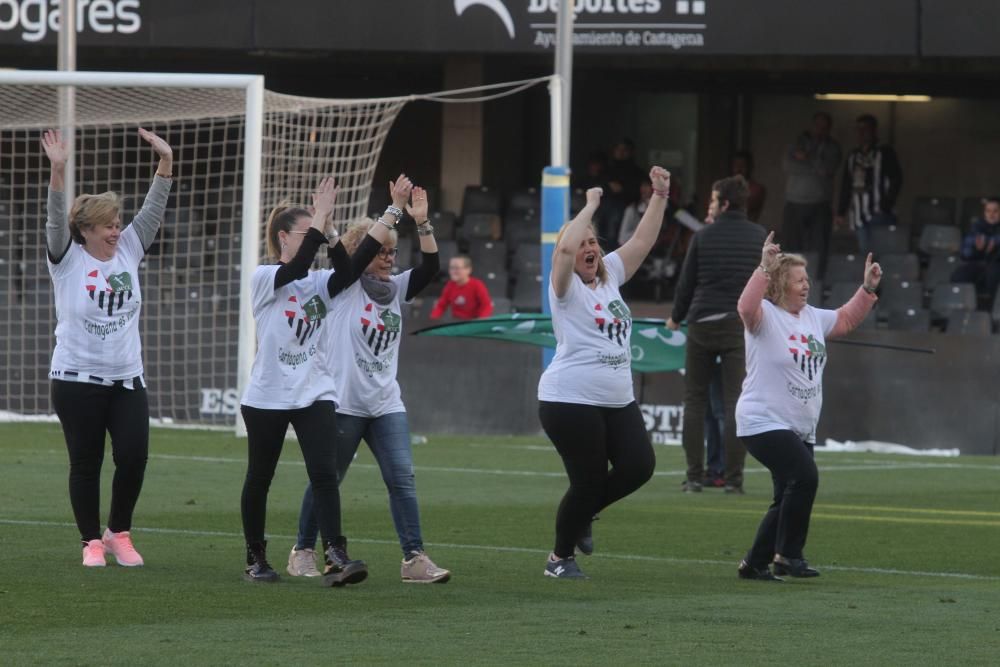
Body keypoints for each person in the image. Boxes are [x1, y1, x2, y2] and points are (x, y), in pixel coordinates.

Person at [239, 174, 405, 585]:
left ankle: (335, 553)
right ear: (282, 237)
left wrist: (338, 228)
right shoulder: (265, 277)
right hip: (268, 396)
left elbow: (349, 266)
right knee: (261, 477)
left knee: (325, 474)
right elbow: (295, 265)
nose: (310, 236)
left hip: (314, 392)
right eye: (304, 230)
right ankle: (256, 557)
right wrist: (322, 220)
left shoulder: (320, 284)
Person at [288, 185, 451, 584]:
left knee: (402, 478)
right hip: (342, 404)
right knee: (329, 478)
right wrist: (392, 211)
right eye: (381, 252)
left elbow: (431, 269)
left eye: (393, 252)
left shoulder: (395, 289)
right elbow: (354, 256)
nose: (389, 258)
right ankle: (303, 550)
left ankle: (414, 558)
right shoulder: (340, 286)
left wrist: (422, 221)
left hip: (385, 404)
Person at [43, 127, 173, 567]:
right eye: (109, 225)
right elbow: (54, 215)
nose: (118, 231)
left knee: (134, 457)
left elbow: (153, 211)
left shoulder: (130, 250)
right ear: (86, 229)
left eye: (119, 224)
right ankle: (90, 542)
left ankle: (118, 532)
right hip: (76, 380)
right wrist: (58, 170)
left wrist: (165, 165)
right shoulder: (67, 258)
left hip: (127, 378)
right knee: (86, 462)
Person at [537, 166, 671, 579]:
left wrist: (660, 195)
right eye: (583, 243)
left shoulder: (609, 276)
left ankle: (582, 515)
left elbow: (644, 241)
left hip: (616, 399)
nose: (589, 248)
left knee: (639, 465)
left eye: (594, 241)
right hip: (569, 399)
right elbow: (561, 253)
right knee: (588, 481)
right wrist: (590, 206)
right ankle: (559, 558)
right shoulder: (565, 287)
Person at [735, 234, 881, 580]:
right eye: (799, 280)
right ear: (781, 284)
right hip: (762, 420)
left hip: (800, 425)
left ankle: (755, 563)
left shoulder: (813, 317)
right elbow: (744, 307)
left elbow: (844, 320)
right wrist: (763, 268)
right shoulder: (764, 316)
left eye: (807, 280)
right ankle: (788, 555)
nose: (806, 285)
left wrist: (867, 289)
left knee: (786, 494)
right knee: (804, 477)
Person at [667, 175, 766, 494]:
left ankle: (694, 476)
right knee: (736, 401)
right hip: (739, 326)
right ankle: (734, 480)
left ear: (724, 204)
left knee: (694, 400)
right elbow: (767, 285)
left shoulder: (703, 236)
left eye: (712, 201)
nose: (709, 206)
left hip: (702, 323)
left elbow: (687, 283)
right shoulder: (759, 237)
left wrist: (675, 317)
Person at [781, 112, 842, 279]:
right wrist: (815, 165)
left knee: (818, 249)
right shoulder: (796, 143)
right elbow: (788, 166)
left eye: (825, 127)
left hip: (820, 203)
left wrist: (807, 158)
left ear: (829, 129)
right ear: (812, 125)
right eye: (818, 126)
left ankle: (816, 281)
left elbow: (827, 169)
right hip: (794, 202)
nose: (820, 131)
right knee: (790, 249)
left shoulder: (832, 147)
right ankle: (788, 282)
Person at [835, 114, 903, 253]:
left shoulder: (885, 153)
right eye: (859, 129)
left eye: (865, 129)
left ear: (874, 130)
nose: (862, 133)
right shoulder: (853, 156)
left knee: (882, 253)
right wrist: (841, 212)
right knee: (866, 254)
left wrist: (886, 204)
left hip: (880, 213)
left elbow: (897, 179)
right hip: (859, 215)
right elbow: (846, 185)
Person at [951, 196, 1000, 303]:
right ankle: (963, 307)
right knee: (958, 276)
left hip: (996, 266)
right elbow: (965, 254)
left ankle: (994, 308)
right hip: (980, 264)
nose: (991, 215)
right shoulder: (977, 227)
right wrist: (976, 250)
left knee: (993, 273)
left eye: (995, 211)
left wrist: (994, 245)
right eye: (988, 211)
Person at [429, 255, 493, 320]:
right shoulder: (450, 285)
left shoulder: (477, 285)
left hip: (474, 322)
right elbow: (441, 306)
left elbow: (487, 306)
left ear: (468, 270)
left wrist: (480, 321)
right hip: (456, 323)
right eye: (451, 268)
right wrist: (433, 320)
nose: (453, 271)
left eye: (457, 268)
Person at [731, 151, 767, 223]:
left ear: (750, 167)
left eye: (742, 165)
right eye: (736, 165)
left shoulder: (757, 189)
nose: (739, 169)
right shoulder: (726, 187)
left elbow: (745, 207)